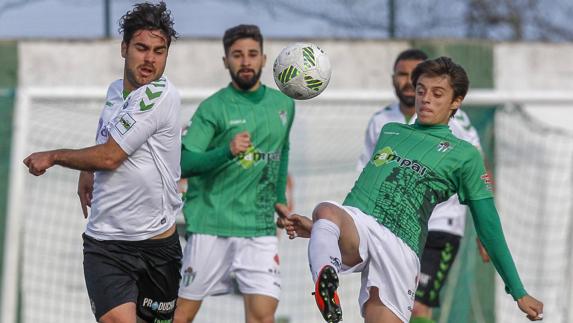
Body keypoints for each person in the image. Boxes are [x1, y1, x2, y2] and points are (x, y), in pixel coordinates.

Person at [279, 57, 543, 323]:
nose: (426, 98)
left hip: (401, 246)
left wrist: (518, 291)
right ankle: (327, 280)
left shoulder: (465, 155)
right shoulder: (390, 131)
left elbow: (488, 223)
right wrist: (321, 227)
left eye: (437, 93)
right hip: (362, 222)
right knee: (326, 209)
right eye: (421, 90)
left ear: (456, 101)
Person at [23, 2, 182, 322]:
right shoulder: (114, 91)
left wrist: (54, 156)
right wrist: (85, 170)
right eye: (141, 47)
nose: (150, 59)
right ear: (124, 48)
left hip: (158, 248)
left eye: (159, 50)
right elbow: (105, 139)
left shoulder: (159, 94)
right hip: (106, 245)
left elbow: (109, 157)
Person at [174, 24, 295, 323]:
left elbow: (282, 151)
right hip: (211, 226)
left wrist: (279, 197)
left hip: (259, 228)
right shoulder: (213, 108)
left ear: (264, 59)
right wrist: (226, 151)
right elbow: (183, 162)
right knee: (180, 317)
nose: (246, 61)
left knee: (263, 316)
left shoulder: (284, 105)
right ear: (225, 61)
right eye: (237, 55)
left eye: (252, 54)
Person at [356, 49, 487, 323]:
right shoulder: (383, 122)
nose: (408, 82)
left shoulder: (458, 123)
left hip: (441, 225)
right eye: (402, 75)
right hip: (391, 227)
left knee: (419, 307)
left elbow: (480, 172)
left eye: (413, 75)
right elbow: (367, 175)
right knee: (384, 306)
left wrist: (484, 231)